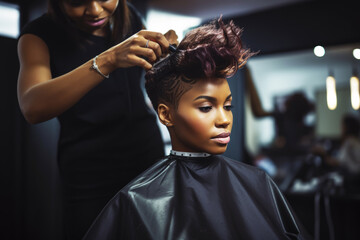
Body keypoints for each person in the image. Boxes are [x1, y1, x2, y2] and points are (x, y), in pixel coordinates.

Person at [82, 17, 311, 240]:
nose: (225, 119)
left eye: (228, 105)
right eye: (205, 107)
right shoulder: (136, 201)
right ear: (165, 114)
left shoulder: (259, 183)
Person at [17, 0, 178, 239]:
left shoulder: (130, 17)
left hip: (146, 156)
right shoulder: (37, 35)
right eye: (76, 2)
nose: (94, 10)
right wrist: (108, 59)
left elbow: (137, 84)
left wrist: (163, 54)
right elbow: (32, 107)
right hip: (88, 171)